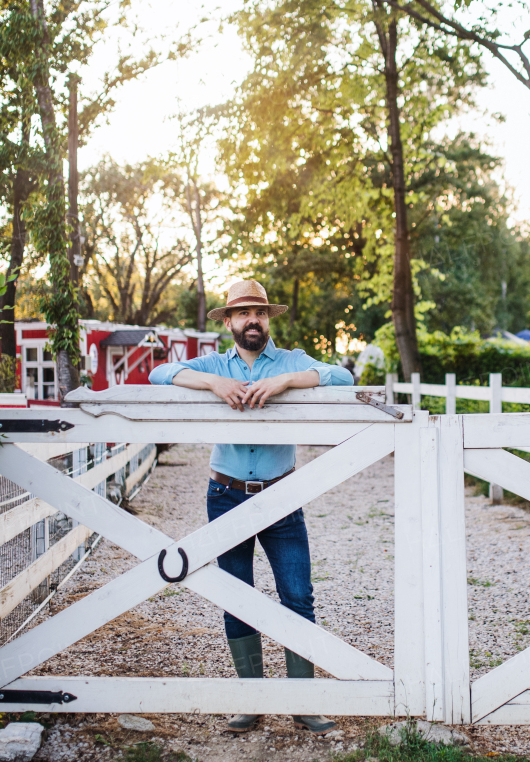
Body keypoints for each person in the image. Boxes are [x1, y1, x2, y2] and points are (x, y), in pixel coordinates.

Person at [148, 279, 354, 735]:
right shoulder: (213, 364)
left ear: (269, 318)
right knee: (236, 599)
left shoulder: (292, 360)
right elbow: (158, 374)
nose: (252, 320)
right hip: (224, 495)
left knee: (297, 597)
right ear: (229, 322)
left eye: (259, 312)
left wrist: (285, 380)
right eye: (242, 313)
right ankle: (252, 701)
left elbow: (344, 377)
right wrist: (213, 382)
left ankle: (302, 705)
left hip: (282, 495)